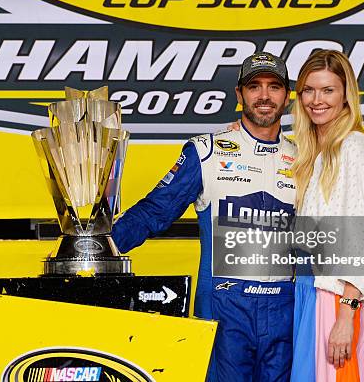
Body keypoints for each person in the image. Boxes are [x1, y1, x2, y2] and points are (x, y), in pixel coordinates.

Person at [112, 52, 298, 382]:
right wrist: (102, 245)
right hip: (224, 312)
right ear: (239, 95)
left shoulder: (305, 158)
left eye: (274, 87)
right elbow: (156, 211)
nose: (265, 96)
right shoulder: (206, 151)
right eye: (254, 87)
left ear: (287, 96)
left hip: (286, 308)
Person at [289, 50, 364, 382]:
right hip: (307, 292)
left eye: (328, 90)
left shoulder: (352, 147)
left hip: (334, 300)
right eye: (309, 90)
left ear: (346, 95)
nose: (317, 100)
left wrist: (346, 315)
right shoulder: (311, 148)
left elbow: (357, 236)